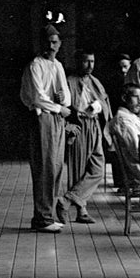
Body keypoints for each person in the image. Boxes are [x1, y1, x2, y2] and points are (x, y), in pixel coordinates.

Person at [19, 24, 70, 232]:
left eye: (55, 42)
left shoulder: (58, 66)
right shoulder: (35, 66)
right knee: (44, 167)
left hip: (57, 118)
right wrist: (59, 107)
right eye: (48, 42)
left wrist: (62, 100)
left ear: (60, 44)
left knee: (56, 168)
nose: (51, 46)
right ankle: (42, 218)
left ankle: (47, 215)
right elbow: (38, 98)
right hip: (43, 118)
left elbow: (67, 96)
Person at [61, 50, 109, 223]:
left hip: (94, 125)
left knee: (98, 169)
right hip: (79, 125)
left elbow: (104, 101)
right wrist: (68, 126)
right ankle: (81, 210)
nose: (90, 65)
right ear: (78, 62)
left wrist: (97, 106)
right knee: (78, 169)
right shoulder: (69, 81)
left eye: (92, 61)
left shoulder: (95, 81)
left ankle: (66, 200)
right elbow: (64, 106)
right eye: (86, 61)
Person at [107, 83, 140, 195]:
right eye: (136, 97)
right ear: (124, 98)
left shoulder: (130, 116)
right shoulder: (124, 120)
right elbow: (136, 151)